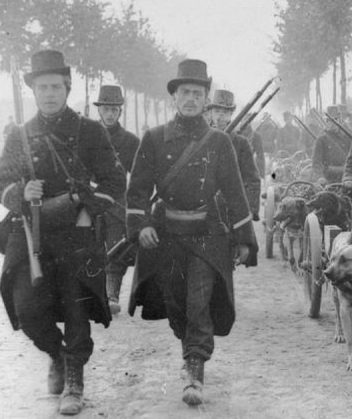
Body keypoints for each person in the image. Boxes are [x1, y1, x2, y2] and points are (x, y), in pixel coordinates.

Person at [0, 50, 126, 415]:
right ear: (34, 91)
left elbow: (114, 182)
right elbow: (3, 180)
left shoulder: (88, 131)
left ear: (67, 88)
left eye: (56, 86)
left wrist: (82, 201)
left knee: (76, 306)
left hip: (76, 232)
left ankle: (74, 379)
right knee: (25, 307)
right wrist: (20, 192)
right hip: (32, 233)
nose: (50, 93)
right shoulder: (20, 135)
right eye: (43, 87)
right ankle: (56, 354)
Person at [126, 59, 258, 406]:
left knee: (199, 301)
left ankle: (195, 370)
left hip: (208, 234)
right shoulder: (154, 139)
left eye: (197, 93)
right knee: (175, 302)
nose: (191, 99)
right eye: (185, 92)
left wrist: (244, 239)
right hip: (167, 234)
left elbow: (235, 192)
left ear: (205, 98)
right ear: (174, 97)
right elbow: (137, 189)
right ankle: (190, 352)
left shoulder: (219, 142)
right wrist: (141, 227)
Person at [93, 84, 140, 315]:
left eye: (114, 109)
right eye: (106, 109)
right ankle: (90, 294)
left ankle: (111, 294)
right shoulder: (86, 136)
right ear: (98, 110)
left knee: (116, 247)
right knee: (88, 246)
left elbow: (140, 174)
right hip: (89, 200)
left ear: (120, 111)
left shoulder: (130, 141)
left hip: (117, 202)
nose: (110, 114)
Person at [205, 89, 261, 222]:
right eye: (217, 112)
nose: (220, 117)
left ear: (231, 115)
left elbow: (252, 179)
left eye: (225, 113)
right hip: (203, 210)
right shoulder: (201, 139)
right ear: (211, 113)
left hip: (233, 210)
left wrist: (251, 210)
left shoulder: (241, 143)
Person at [312, 105, 352, 185]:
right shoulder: (321, 140)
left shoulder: (347, 139)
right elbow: (317, 163)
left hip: (345, 179)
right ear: (326, 122)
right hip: (327, 179)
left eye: (335, 119)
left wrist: (350, 177)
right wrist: (320, 177)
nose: (333, 123)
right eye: (330, 120)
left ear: (340, 120)